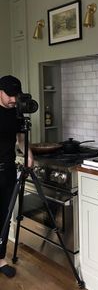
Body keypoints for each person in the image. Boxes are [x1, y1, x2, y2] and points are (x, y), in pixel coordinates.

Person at [0, 75, 34, 278]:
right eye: (10, 95)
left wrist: (28, 154)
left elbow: (21, 138)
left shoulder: (17, 111)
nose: (14, 99)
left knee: (4, 216)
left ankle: (0, 259)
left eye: (16, 95)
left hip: (8, 170)